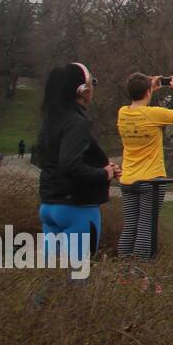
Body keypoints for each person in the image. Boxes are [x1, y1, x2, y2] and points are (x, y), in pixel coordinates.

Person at [32, 62, 118, 267]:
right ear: (82, 90)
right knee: (77, 278)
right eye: (92, 83)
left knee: (51, 276)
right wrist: (103, 174)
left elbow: (41, 158)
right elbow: (69, 164)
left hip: (50, 205)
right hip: (76, 208)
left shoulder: (51, 119)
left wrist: (101, 167)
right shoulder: (76, 122)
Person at [117, 74, 173, 260]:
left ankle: (124, 271)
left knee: (130, 226)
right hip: (151, 180)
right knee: (146, 227)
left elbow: (139, 102)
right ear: (148, 91)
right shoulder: (153, 114)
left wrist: (148, 88)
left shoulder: (123, 113)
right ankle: (141, 272)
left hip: (128, 180)